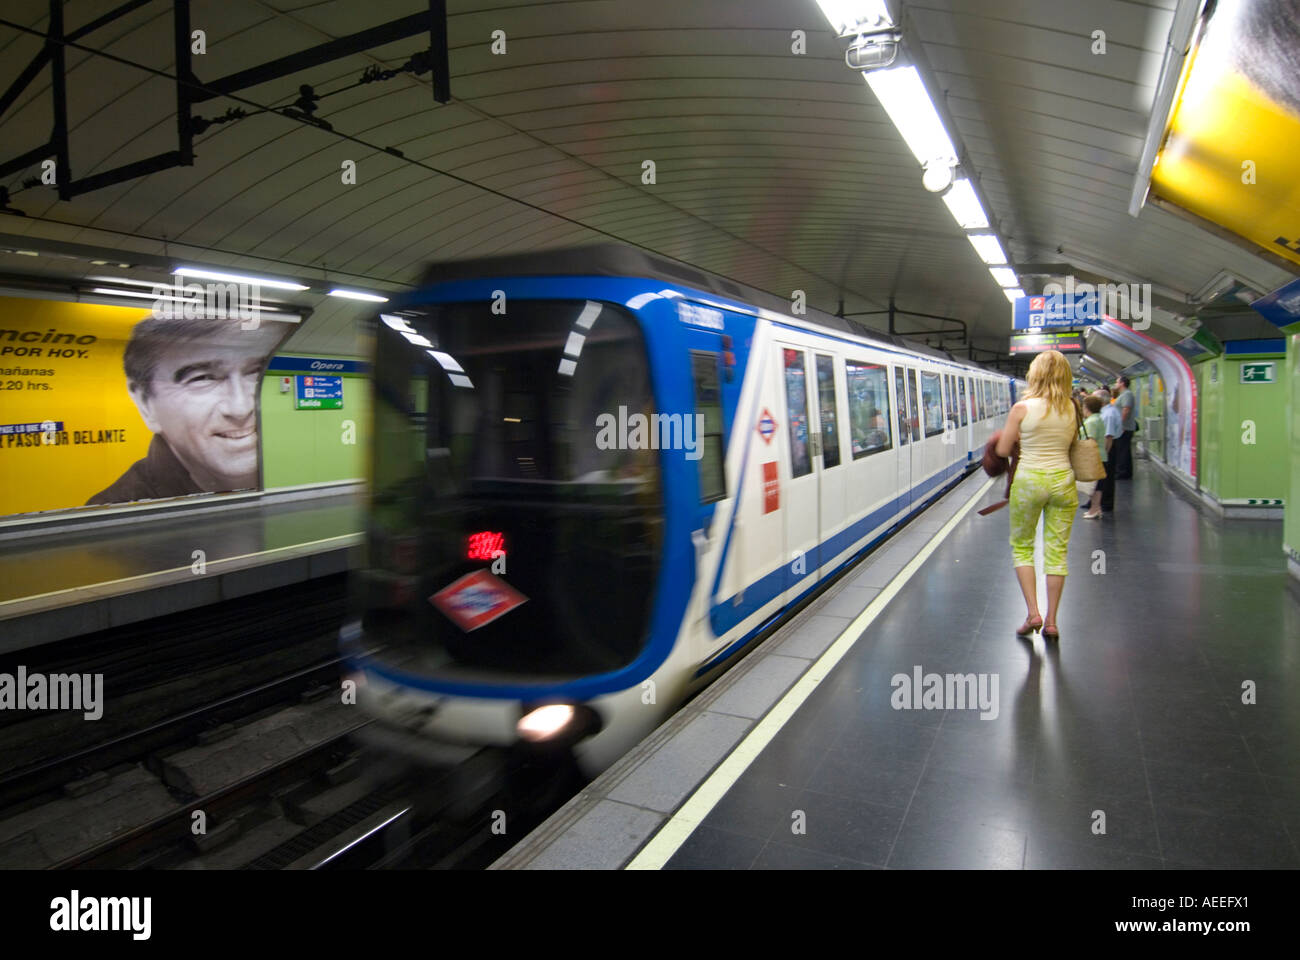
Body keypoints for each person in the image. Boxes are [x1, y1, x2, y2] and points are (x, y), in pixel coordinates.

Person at [87, 315, 285, 505]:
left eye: (258, 373)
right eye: (203, 378)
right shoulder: (119, 510)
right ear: (144, 403)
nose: (241, 409)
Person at [995, 350, 1079, 641]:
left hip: (1029, 481)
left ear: (1035, 374)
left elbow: (1003, 451)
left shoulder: (1022, 408)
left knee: (1022, 547)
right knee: (1057, 552)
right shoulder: (1072, 407)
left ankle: (1033, 613)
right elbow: (1071, 444)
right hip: (1063, 482)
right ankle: (1053, 621)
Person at [1079, 395, 1110, 519]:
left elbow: (1090, 441)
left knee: (1094, 486)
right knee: (1097, 485)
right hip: (1100, 456)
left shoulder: (1091, 422)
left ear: (1087, 408)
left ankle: (1094, 509)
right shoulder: (1098, 419)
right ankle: (1095, 509)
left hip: (1094, 457)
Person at [1094, 387, 1122, 513]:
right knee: (1102, 476)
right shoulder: (1106, 411)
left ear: (1101, 401)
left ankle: (1106, 503)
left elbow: (1108, 436)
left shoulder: (1109, 414)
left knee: (1106, 476)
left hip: (1108, 447)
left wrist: (1104, 454)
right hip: (1106, 446)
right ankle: (1098, 502)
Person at [1113, 376, 1136, 479]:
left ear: (1122, 383)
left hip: (1124, 428)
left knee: (1123, 450)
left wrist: (1120, 425)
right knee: (1123, 450)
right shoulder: (1123, 394)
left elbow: (1126, 410)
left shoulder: (1127, 394)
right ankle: (1124, 471)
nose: (1115, 384)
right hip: (1123, 427)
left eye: (1116, 382)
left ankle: (1122, 472)